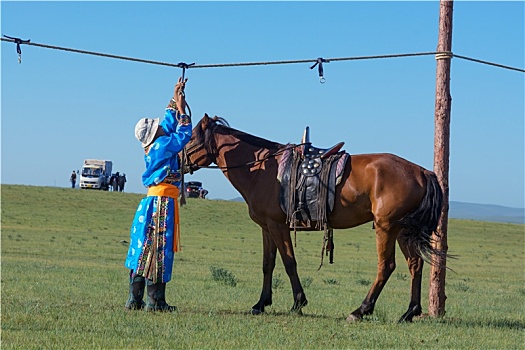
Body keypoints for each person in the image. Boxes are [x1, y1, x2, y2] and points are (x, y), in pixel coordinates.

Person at [124, 77, 191, 312]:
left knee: (143, 247)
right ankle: (156, 301)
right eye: (158, 126)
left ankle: (135, 299)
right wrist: (182, 109)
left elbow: (169, 124)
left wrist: (175, 96)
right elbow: (183, 135)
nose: (162, 125)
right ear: (155, 133)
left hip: (153, 199)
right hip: (163, 202)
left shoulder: (155, 145)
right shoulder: (163, 145)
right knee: (160, 247)